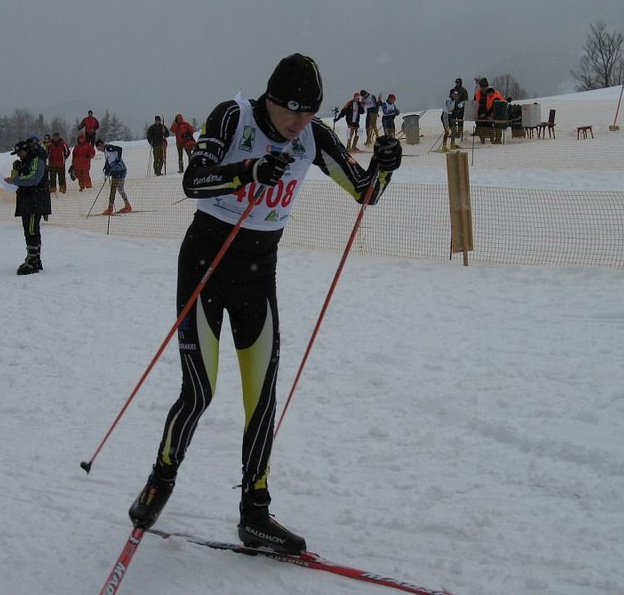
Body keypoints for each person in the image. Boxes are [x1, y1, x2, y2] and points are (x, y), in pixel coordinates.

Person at [127, 53, 402, 555]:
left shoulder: (313, 137)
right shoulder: (233, 117)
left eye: (310, 112)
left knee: (262, 397)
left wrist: (385, 166)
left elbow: (365, 193)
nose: (300, 123)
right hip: (206, 266)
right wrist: (248, 171)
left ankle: (254, 512)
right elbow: (193, 180)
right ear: (271, 100)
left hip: (257, 276)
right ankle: (159, 480)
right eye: (293, 111)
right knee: (200, 391)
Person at [4, 140, 51, 274]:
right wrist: (17, 170)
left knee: (31, 230)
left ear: (26, 150)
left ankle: (33, 261)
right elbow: (24, 176)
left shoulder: (36, 160)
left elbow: (34, 178)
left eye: (19, 152)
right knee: (31, 229)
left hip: (34, 200)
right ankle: (34, 257)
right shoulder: (26, 161)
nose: (18, 155)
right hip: (28, 200)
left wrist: (15, 180)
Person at [95, 139, 132, 214]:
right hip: (121, 170)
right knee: (120, 188)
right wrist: (106, 168)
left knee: (113, 189)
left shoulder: (108, 148)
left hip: (118, 171)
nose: (99, 150)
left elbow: (119, 149)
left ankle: (110, 208)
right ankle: (127, 205)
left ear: (102, 144)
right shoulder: (105, 151)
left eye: (99, 148)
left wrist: (117, 159)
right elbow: (108, 162)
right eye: (98, 149)